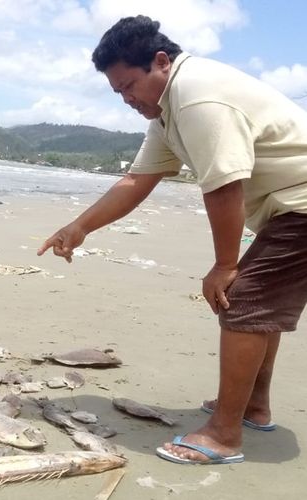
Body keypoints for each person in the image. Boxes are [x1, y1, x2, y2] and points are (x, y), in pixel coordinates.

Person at [37, 15, 307, 465]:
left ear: (161, 62)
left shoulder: (197, 95)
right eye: (117, 92)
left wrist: (224, 266)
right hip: (291, 207)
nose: (126, 99)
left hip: (302, 205)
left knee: (242, 302)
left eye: (129, 86)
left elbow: (223, 184)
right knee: (258, 306)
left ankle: (224, 435)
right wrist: (78, 227)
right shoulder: (167, 115)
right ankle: (253, 408)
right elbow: (136, 181)